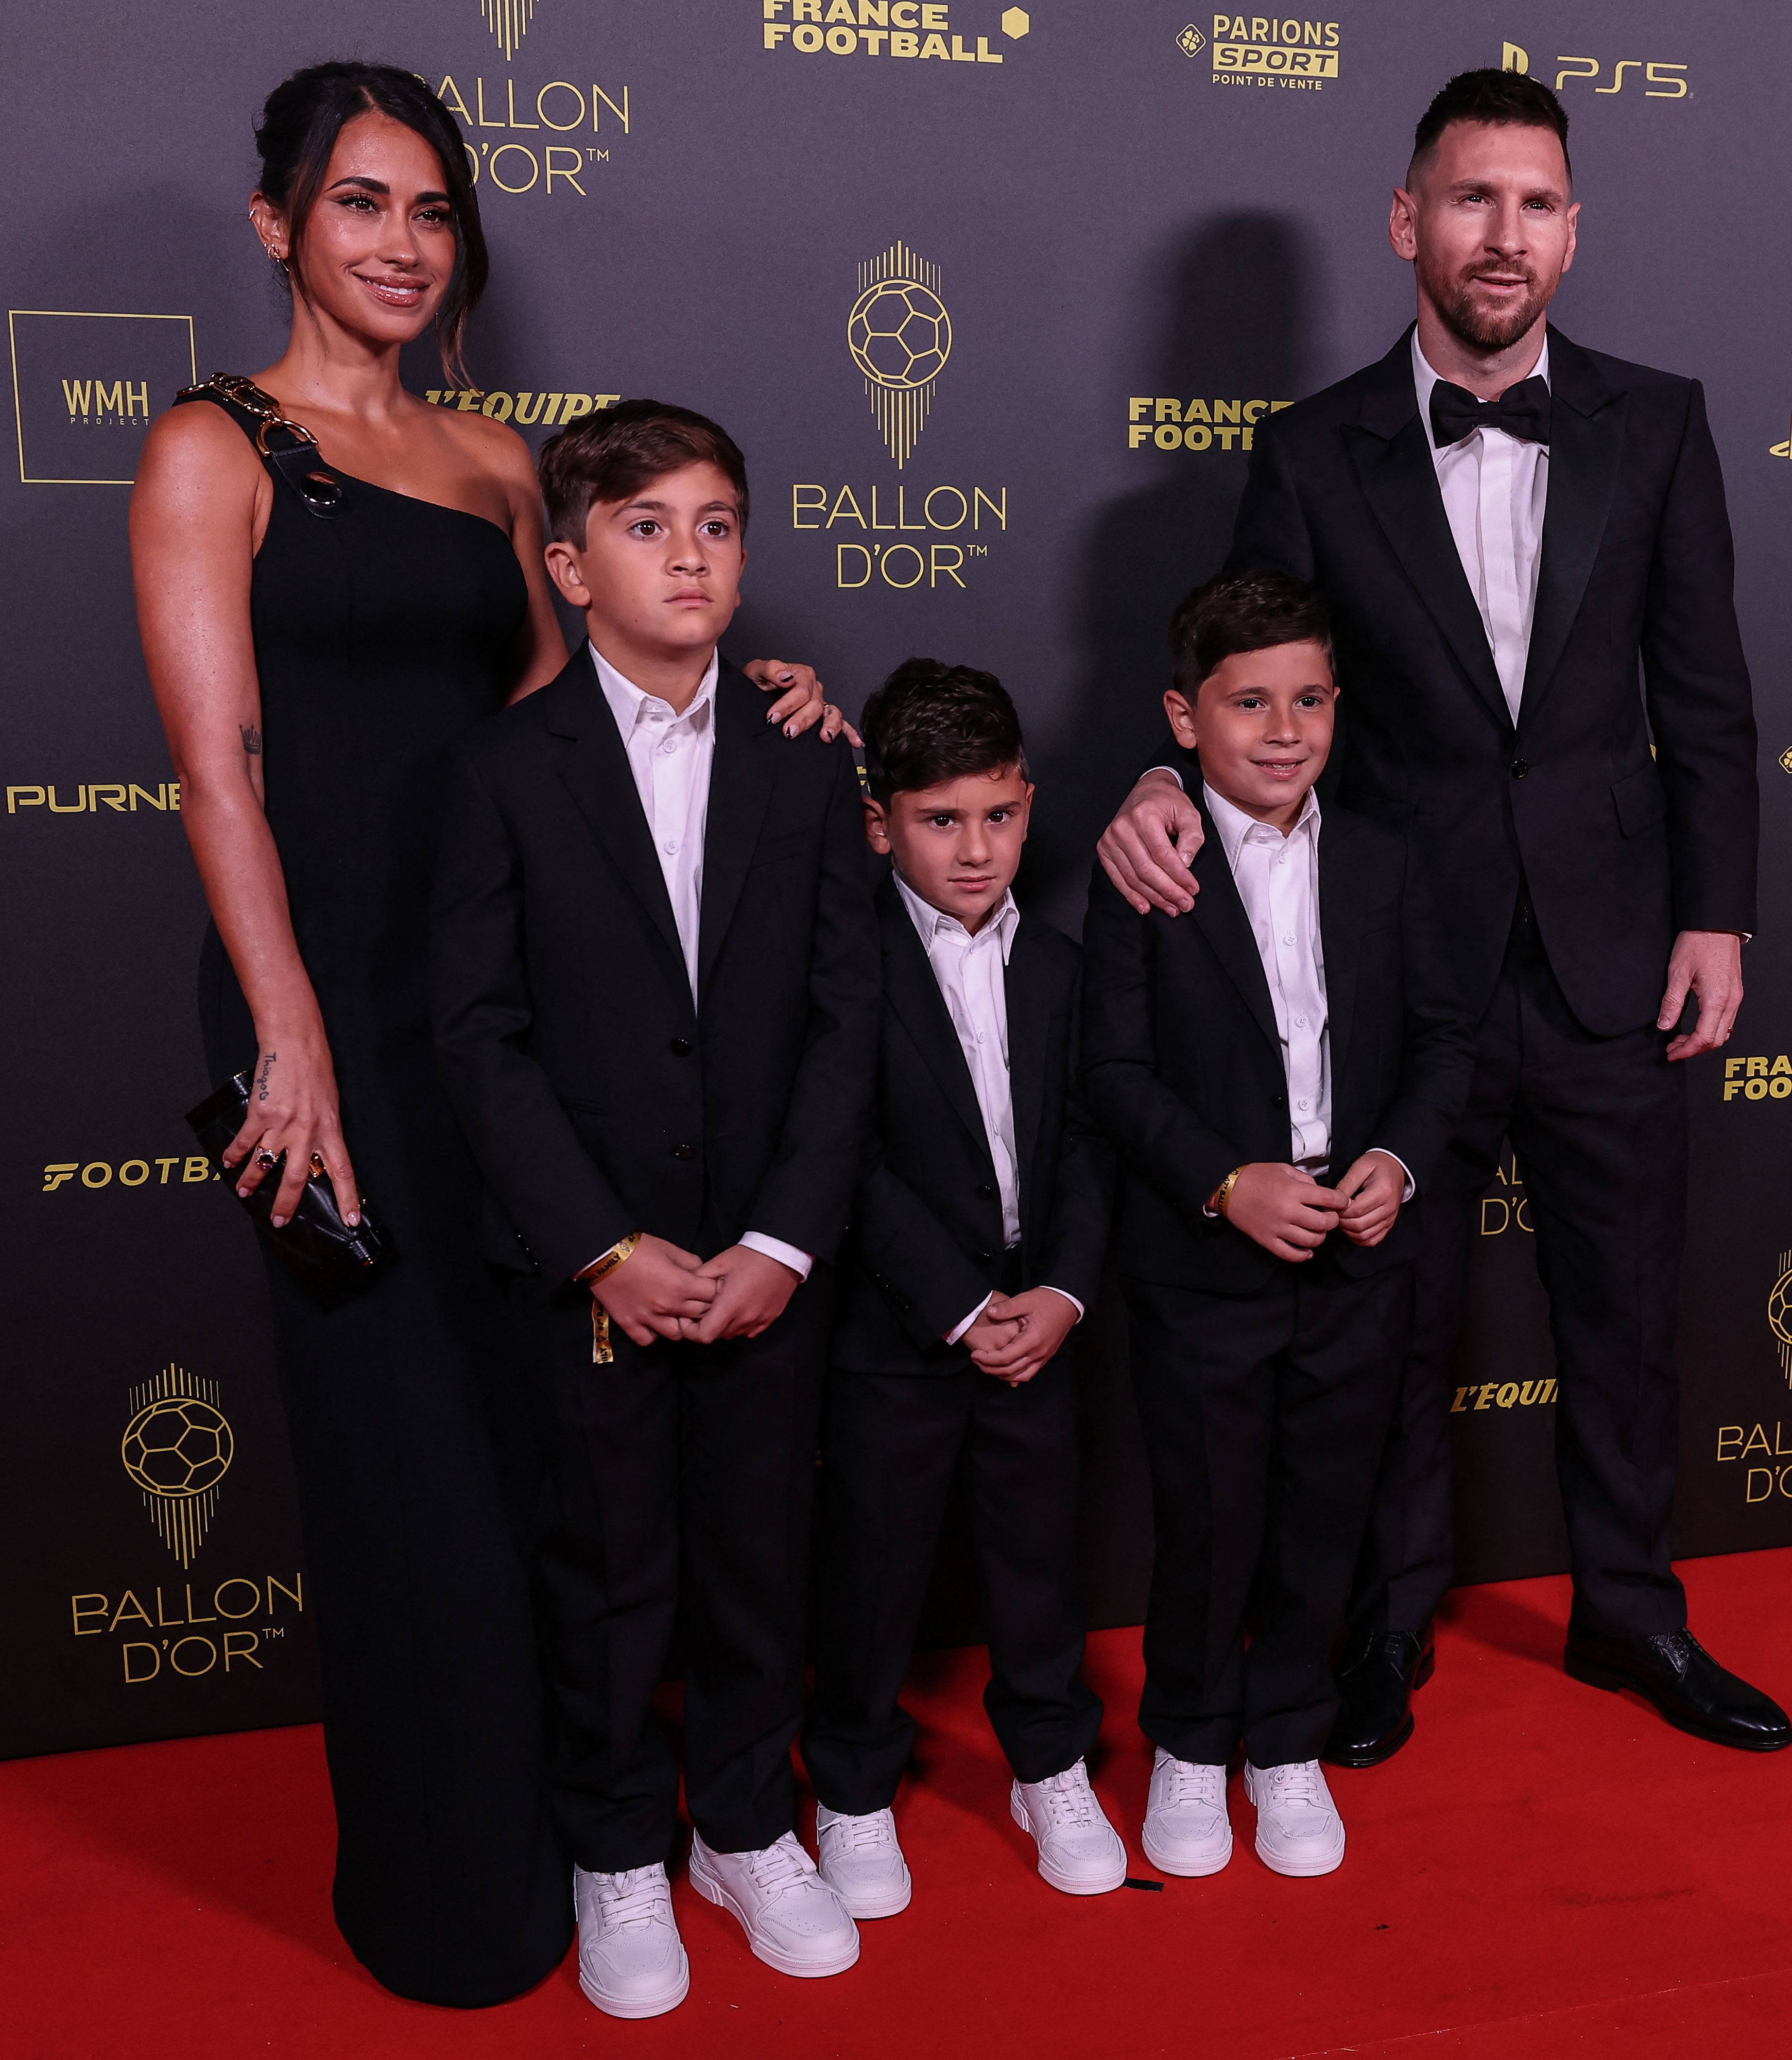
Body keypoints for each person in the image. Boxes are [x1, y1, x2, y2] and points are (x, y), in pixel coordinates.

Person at [129, 62, 838, 2007]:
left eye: (433, 212)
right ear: (278, 223)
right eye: (360, 205)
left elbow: (575, 749)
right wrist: (291, 1040)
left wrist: (745, 689)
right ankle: (451, 1895)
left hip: (504, 1015)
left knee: (557, 1445)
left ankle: (604, 1837)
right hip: (322, 1005)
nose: (402, 246)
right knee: (401, 1463)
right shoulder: (214, 444)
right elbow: (216, 771)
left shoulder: (511, 467)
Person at [1092, 69, 1787, 1769]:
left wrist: (1719, 914)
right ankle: (1377, 1635)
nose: (1505, 235)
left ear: (1573, 230)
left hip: (1615, 946)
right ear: (1409, 221)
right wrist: (1155, 780)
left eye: (1538, 203)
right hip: (1398, 969)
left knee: (1625, 1311)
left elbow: (1704, 693)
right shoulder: (1308, 449)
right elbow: (1251, 676)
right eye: (1473, 200)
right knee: (1383, 1321)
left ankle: (1634, 1614)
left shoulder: (1661, 419)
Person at [428, 400, 879, 2021]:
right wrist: (604, 1248)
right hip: (590, 1270)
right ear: (567, 564)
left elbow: (850, 1023)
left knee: (761, 1552)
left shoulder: (811, 762)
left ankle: (745, 1825)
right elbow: (476, 1035)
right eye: (644, 526)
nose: (687, 556)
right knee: (607, 1562)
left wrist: (780, 1243)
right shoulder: (499, 772)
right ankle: (616, 1842)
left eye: (715, 524)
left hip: (768, 1259)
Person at [1081, 572, 1473, 1880]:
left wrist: (1400, 1159)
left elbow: (1441, 1041)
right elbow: (1115, 1073)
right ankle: (1191, 1742)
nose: (1286, 728)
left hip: (1358, 1249)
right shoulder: (1150, 861)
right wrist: (1221, 1179)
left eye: (1309, 699)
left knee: (1326, 1510)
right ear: (1184, 719)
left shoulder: (1385, 858)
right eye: (1251, 702)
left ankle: (1288, 1737)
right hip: (1206, 1259)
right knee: (1208, 1518)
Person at [800, 661, 1127, 1918]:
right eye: (941, 820)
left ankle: (1052, 1763)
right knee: (873, 1568)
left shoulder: (1061, 964)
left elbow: (1092, 1142)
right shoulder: (845, 963)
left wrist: (1064, 1294)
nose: (975, 847)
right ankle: (855, 1785)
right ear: (882, 820)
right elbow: (847, 1152)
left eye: (997, 815)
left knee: (1040, 1557)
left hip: (1040, 1320)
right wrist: (952, 1300)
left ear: (1030, 807)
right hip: (897, 1332)